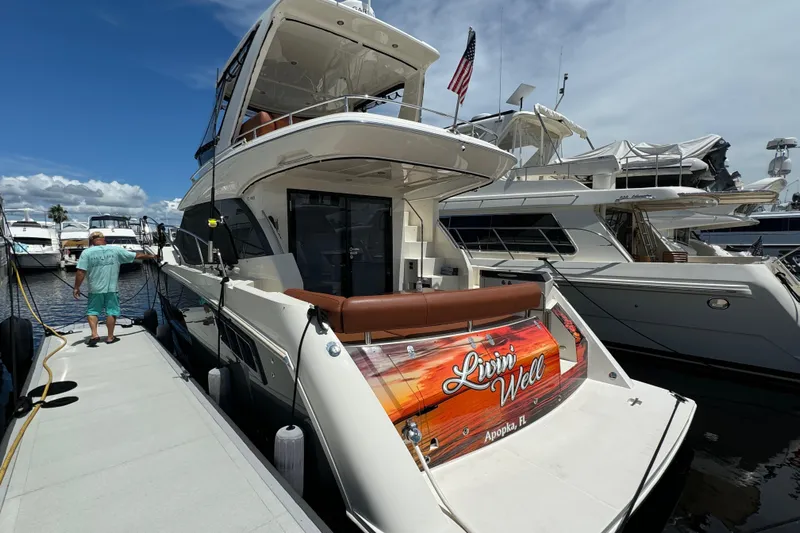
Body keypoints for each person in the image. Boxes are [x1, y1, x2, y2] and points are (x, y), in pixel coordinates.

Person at [73, 231, 155, 346]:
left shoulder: (86, 253)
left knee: (92, 311)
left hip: (95, 289)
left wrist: (76, 287)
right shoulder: (115, 250)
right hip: (112, 288)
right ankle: (110, 337)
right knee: (111, 312)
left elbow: (81, 271)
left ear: (91, 241)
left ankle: (94, 334)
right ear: (104, 239)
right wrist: (152, 256)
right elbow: (137, 256)